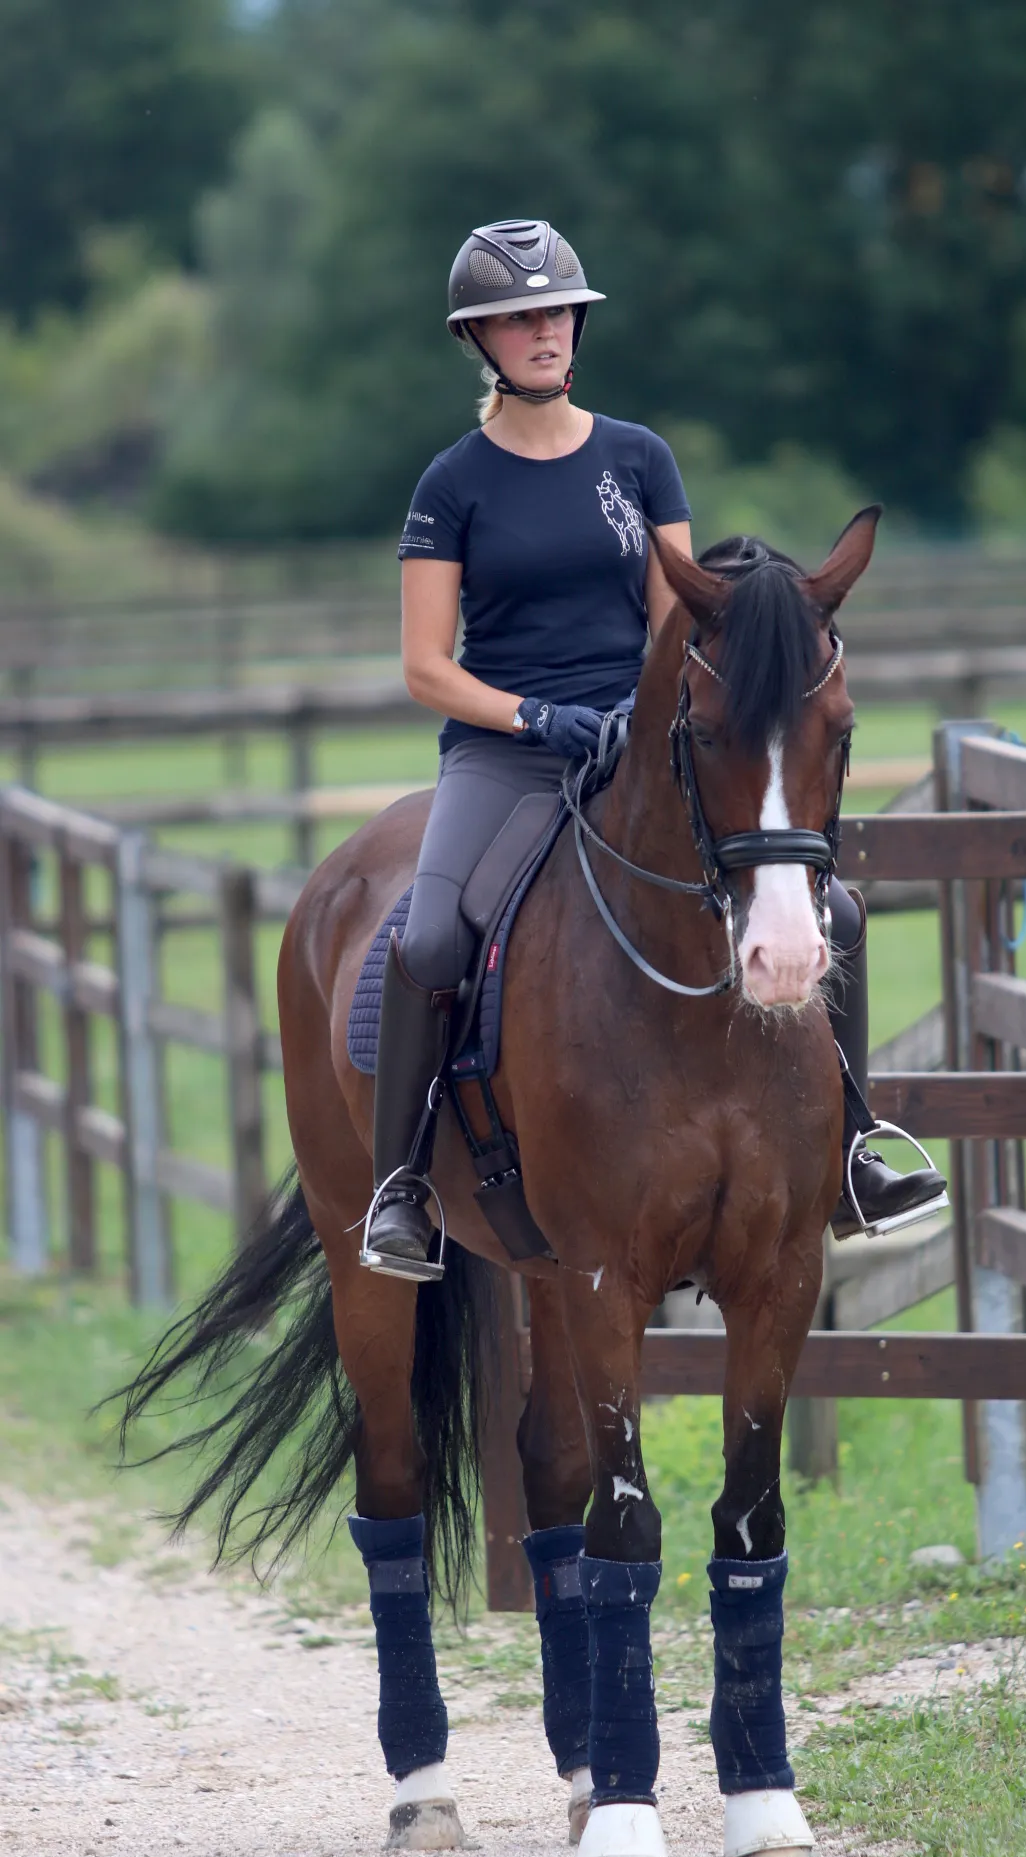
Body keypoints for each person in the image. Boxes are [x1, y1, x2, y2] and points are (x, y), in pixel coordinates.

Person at [366, 218, 945, 1275]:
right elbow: (423, 667)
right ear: (479, 341)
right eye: (517, 319)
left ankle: (855, 1146)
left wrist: (649, 716)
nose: (542, 332)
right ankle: (400, 1182)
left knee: (837, 911)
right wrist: (537, 719)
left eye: (555, 313)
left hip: (639, 742)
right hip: (505, 751)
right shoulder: (450, 485)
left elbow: (683, 616)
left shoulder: (638, 458)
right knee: (432, 939)